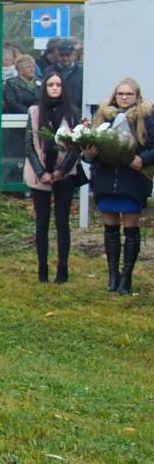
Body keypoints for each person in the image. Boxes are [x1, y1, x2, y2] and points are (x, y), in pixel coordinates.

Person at [86, 78, 154, 295]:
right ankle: (113, 275)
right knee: (110, 229)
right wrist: (87, 155)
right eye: (120, 94)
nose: (124, 97)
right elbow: (91, 148)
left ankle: (126, 278)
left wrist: (142, 160)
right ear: (114, 95)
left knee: (131, 228)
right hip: (106, 179)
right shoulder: (104, 116)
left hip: (132, 179)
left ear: (137, 96)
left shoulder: (146, 117)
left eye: (129, 94)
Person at [23, 72, 83, 284]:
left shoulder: (72, 113)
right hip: (39, 173)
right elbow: (29, 145)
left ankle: (62, 269)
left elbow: (76, 147)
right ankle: (42, 269)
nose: (55, 88)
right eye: (51, 84)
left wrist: (60, 172)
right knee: (42, 222)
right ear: (45, 88)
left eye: (58, 84)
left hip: (64, 174)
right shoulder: (34, 112)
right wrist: (42, 173)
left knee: (62, 222)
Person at [47, 41, 83, 114]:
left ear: (74, 55)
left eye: (68, 55)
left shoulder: (83, 72)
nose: (65, 58)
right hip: (54, 115)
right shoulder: (49, 71)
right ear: (57, 55)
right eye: (62, 55)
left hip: (77, 114)